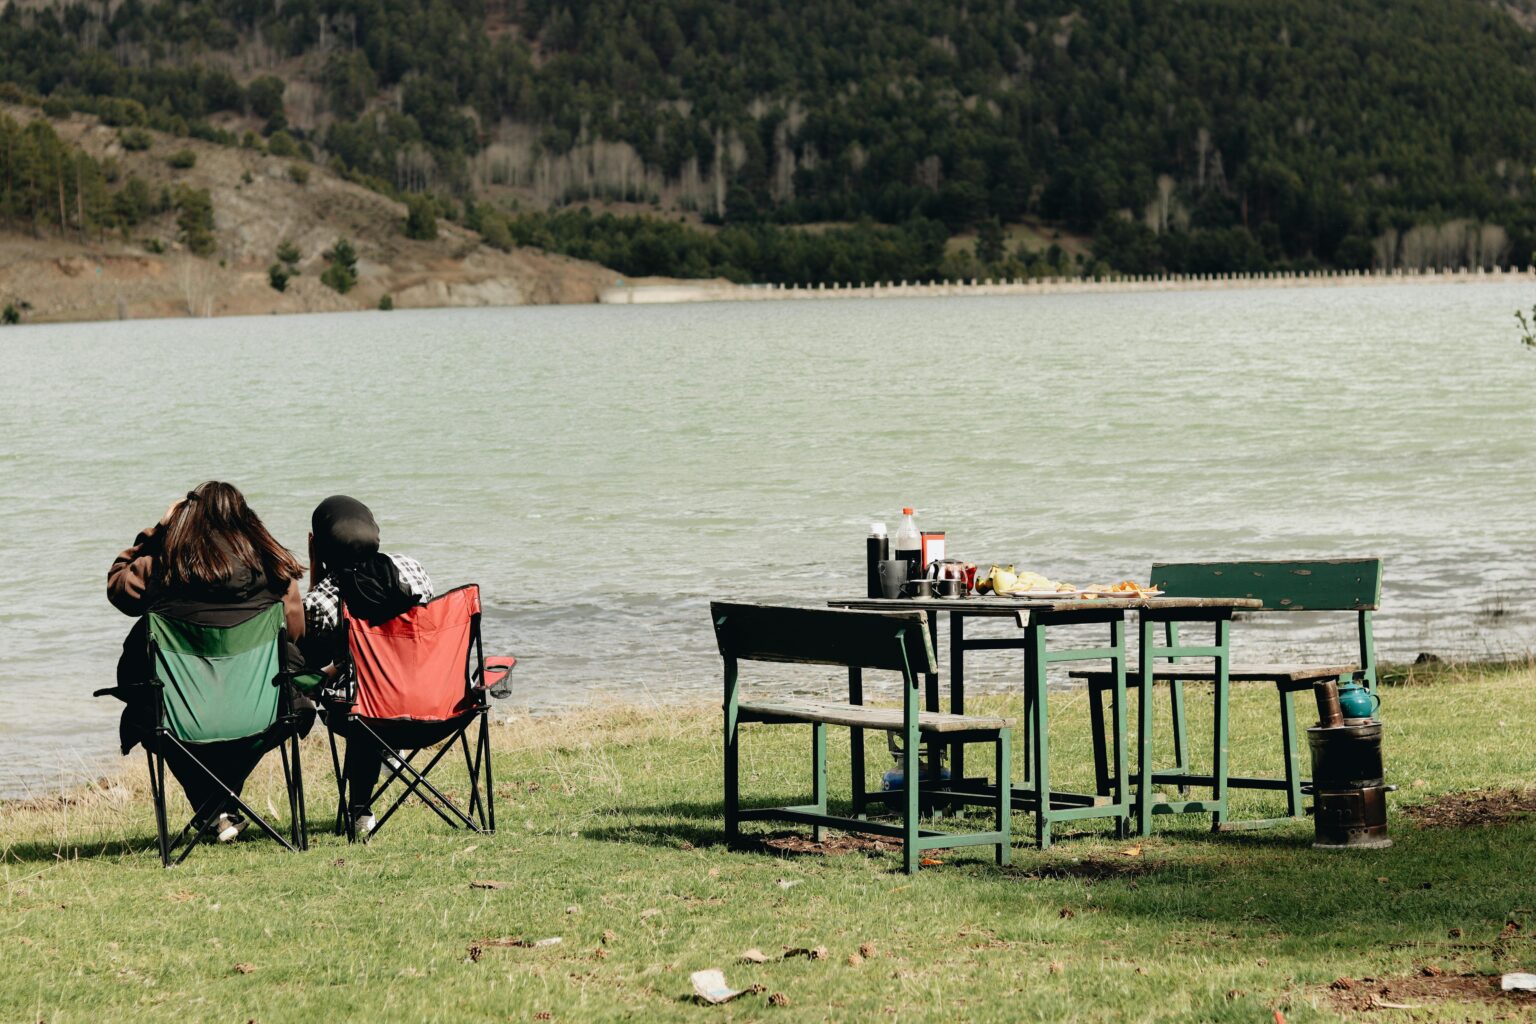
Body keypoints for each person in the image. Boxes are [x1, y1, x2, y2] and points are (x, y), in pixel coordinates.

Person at [107, 481, 306, 842]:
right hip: (261, 710)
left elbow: (119, 589)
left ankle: (213, 808)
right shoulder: (276, 570)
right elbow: (293, 635)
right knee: (284, 708)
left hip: (178, 712)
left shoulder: (161, 567)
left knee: (154, 715)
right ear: (247, 521)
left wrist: (156, 536)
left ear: (186, 522)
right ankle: (220, 806)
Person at [303, 495, 434, 837]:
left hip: (368, 715)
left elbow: (313, 658)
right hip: (428, 704)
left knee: (358, 700)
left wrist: (316, 570)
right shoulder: (413, 569)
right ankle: (390, 751)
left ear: (320, 544)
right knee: (370, 691)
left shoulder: (321, 600)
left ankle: (361, 809)